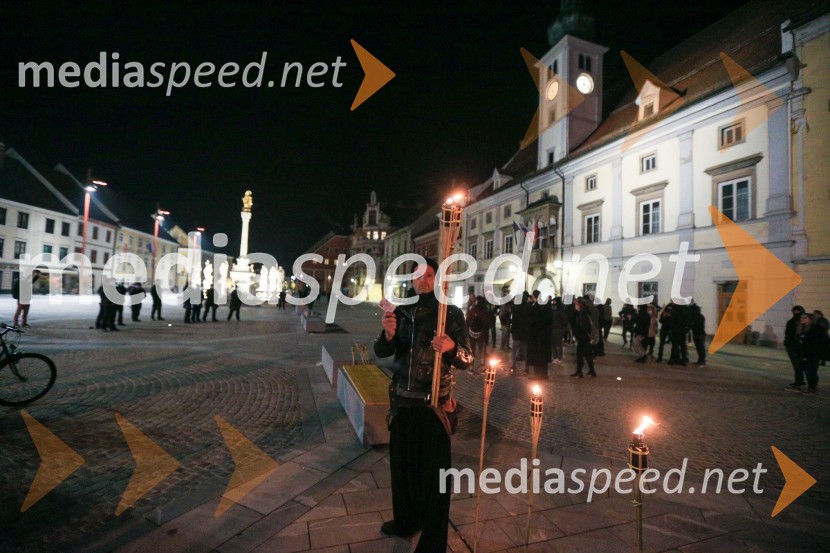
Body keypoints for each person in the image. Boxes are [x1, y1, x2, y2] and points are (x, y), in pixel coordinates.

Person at [374, 258, 471, 551]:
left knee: (434, 479)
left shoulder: (450, 313)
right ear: (412, 280)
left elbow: (468, 359)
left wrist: (452, 348)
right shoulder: (400, 311)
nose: (423, 279)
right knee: (402, 471)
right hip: (402, 403)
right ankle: (406, 520)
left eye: (429, 274)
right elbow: (381, 351)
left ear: (437, 279)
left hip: (434, 406)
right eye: (418, 275)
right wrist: (388, 334)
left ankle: (432, 543)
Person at [794, 312, 825, 396]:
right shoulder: (802, 328)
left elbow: (817, 343)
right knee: (806, 370)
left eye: (805, 318)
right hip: (804, 354)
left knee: (811, 371)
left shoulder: (815, 329)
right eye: (801, 318)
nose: (802, 319)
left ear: (810, 320)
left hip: (812, 354)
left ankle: (812, 388)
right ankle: (810, 387)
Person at [527, 290, 552, 380]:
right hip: (545, 336)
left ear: (534, 297)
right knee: (543, 356)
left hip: (536, 337)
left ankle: (537, 375)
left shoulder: (534, 308)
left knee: (537, 356)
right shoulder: (547, 307)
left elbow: (531, 323)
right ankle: (544, 374)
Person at [570, 298, 597, 378]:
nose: (575, 306)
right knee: (587, 355)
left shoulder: (582, 314)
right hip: (584, 337)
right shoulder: (581, 313)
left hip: (583, 338)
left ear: (580, 305)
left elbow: (584, 327)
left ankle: (579, 372)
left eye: (576, 304)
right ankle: (592, 371)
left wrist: (578, 334)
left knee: (580, 355)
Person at [466, 296, 492, 373]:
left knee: (472, 351)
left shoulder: (472, 310)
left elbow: (467, 321)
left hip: (472, 334)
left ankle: (471, 368)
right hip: (482, 334)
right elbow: (488, 324)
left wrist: (468, 332)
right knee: (482, 351)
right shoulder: (485, 312)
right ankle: (482, 368)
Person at [510, 292, 531, 374]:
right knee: (526, 351)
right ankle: (526, 368)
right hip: (525, 333)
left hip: (517, 333)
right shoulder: (528, 308)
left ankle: (513, 366)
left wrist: (512, 331)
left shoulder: (516, 309)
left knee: (514, 350)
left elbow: (514, 322)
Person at [550, 297, 568, 365]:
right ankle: (555, 357)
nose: (553, 303)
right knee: (553, 344)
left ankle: (559, 358)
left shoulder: (560, 310)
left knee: (558, 344)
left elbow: (564, 320)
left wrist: (563, 327)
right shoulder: (554, 309)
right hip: (554, 328)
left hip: (558, 329)